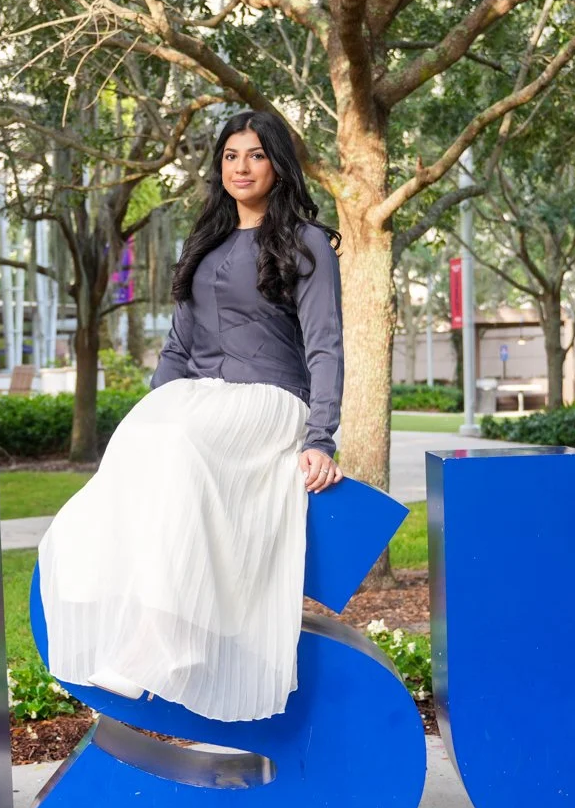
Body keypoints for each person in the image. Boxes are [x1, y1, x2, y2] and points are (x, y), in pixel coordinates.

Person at [35, 108, 344, 723]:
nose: (242, 167)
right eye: (231, 156)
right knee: (147, 438)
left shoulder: (307, 243)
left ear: (278, 164)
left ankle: (169, 639)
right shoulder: (203, 244)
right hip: (199, 398)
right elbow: (178, 346)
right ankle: (148, 620)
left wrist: (321, 436)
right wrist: (154, 408)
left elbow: (325, 345)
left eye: (255, 154)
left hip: (268, 400)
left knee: (176, 440)